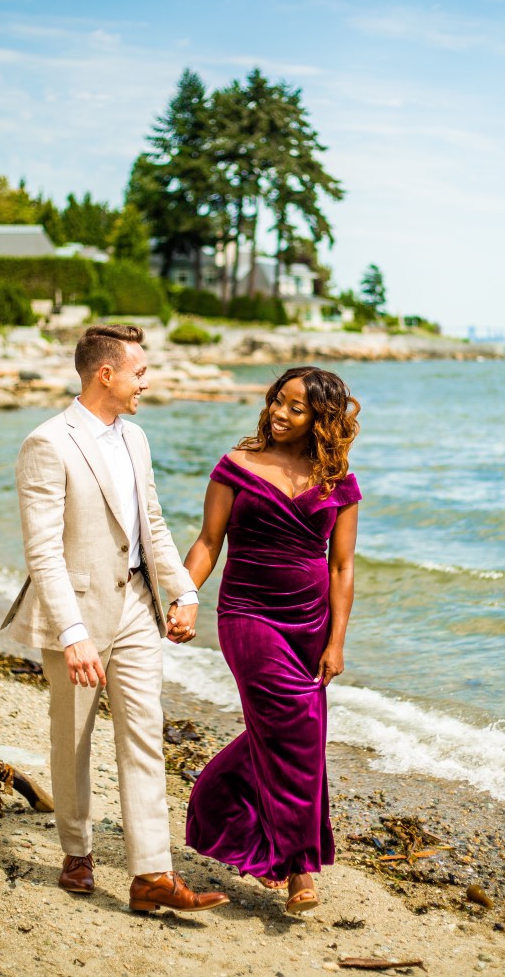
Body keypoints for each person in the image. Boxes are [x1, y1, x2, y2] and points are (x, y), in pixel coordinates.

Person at [1, 324, 229, 915]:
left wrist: (183, 590)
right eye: (139, 372)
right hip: (76, 612)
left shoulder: (137, 438)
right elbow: (42, 553)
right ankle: (76, 852)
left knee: (144, 734)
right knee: (72, 737)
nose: (145, 382)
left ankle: (151, 874)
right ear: (106, 374)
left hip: (136, 606)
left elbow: (152, 524)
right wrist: (72, 634)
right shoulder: (47, 443)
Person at [184, 366, 361, 915]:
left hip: (309, 625)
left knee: (295, 734)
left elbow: (342, 567)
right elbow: (208, 542)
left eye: (296, 408)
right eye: (277, 401)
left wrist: (336, 641)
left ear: (320, 419)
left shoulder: (338, 481)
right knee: (296, 729)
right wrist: (183, 597)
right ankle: (299, 868)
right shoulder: (236, 466)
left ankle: (217, 804)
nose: (280, 413)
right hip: (247, 614)